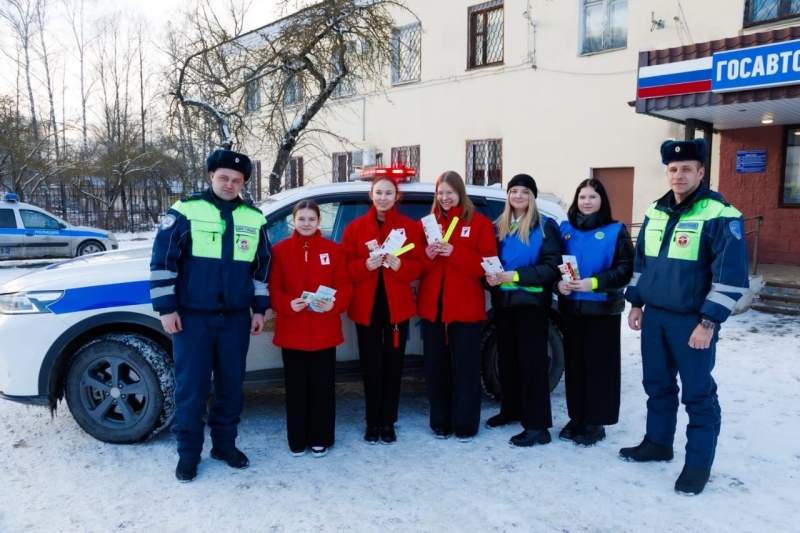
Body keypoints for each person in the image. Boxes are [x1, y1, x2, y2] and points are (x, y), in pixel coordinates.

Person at [622, 138, 750, 495]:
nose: (678, 176)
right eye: (673, 170)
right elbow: (641, 264)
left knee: (698, 395)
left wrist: (708, 322)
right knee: (657, 387)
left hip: (692, 321)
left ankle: (697, 465)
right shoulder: (655, 211)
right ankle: (658, 443)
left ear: (701, 172)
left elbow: (731, 276)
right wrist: (636, 303)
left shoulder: (721, 214)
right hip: (656, 318)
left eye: (686, 169)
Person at [150, 148, 272, 482]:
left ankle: (224, 445)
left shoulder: (253, 217)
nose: (230, 184)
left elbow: (261, 270)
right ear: (211, 177)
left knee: (231, 387)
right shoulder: (186, 211)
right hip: (192, 320)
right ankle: (188, 454)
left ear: (244, 182)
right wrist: (166, 309)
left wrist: (259, 310)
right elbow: (163, 262)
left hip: (235, 319)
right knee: (191, 389)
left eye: (237, 180)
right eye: (224, 178)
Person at [417, 171, 497, 442]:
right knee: (435, 368)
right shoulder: (427, 223)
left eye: (449, 192)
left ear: (460, 193)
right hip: (433, 309)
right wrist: (427, 256)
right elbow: (417, 265)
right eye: (440, 193)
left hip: (465, 309)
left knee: (464, 368)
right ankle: (440, 421)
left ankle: (465, 423)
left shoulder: (479, 223)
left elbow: (487, 267)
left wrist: (455, 252)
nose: (444, 197)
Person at [270, 200, 353, 458]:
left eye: (311, 219)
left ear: (319, 221)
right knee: (295, 389)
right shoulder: (280, 251)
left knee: (322, 389)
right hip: (292, 332)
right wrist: (287, 303)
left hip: (324, 332)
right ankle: (297, 438)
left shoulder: (334, 250)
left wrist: (333, 303)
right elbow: (273, 290)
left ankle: (321, 437)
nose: (306, 224)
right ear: (294, 221)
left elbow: (346, 287)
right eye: (302, 219)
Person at [342, 177, 421, 445]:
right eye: (379, 192)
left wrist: (402, 267)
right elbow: (345, 271)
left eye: (389, 193)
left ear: (397, 196)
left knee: (393, 367)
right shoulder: (355, 228)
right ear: (371, 195)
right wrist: (366, 264)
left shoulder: (408, 228)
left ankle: (389, 421)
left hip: (396, 309)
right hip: (366, 310)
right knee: (371, 366)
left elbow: (419, 266)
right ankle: (372, 421)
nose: (384, 198)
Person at [485, 174, 562, 447]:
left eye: (524, 191)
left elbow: (551, 267)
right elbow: (490, 262)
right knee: (508, 362)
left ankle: (538, 425)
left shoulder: (545, 228)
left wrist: (515, 277)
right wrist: (490, 278)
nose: (518, 196)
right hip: (504, 305)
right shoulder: (500, 227)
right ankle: (511, 410)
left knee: (532, 366)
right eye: (514, 191)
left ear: (533, 196)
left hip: (531, 305)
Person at [556, 178, 634, 447]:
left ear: (602, 201)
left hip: (602, 310)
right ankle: (577, 416)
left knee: (600, 367)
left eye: (592, 197)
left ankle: (596, 421)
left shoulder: (615, 231)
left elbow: (625, 269)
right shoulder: (564, 229)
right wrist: (559, 283)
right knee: (576, 366)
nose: (586, 202)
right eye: (582, 197)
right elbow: (554, 262)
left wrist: (595, 282)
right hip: (571, 309)